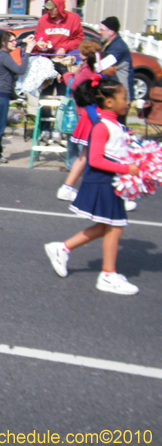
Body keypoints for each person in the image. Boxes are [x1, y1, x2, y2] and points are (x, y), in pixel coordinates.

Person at [43, 76, 141, 295]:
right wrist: (128, 169)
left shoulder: (115, 124)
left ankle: (62, 248)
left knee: (106, 226)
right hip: (102, 182)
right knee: (114, 226)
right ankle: (107, 275)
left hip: (111, 181)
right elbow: (95, 159)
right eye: (124, 98)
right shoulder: (101, 127)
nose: (128, 101)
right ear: (108, 102)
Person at [55, 46, 137, 210]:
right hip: (95, 124)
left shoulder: (102, 82)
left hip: (95, 123)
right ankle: (117, 194)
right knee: (104, 158)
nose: (116, 68)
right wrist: (98, 122)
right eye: (113, 65)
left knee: (85, 157)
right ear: (103, 67)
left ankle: (67, 188)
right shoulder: (100, 84)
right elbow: (91, 106)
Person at [0, 32, 35, 164]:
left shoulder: (0, 53)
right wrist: (28, 52)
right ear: (4, 43)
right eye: (12, 41)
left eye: (15, 41)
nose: (15, 43)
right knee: (0, 127)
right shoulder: (3, 56)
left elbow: (11, 44)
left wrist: (22, 41)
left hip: (0, 94)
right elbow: (20, 70)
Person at [34, 0, 83, 100]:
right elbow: (38, 37)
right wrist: (41, 43)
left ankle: (61, 116)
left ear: (59, 7)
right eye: (47, 9)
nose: (49, 11)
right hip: (48, 61)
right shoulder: (43, 20)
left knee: (63, 93)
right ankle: (44, 115)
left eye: (51, 9)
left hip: (65, 61)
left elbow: (79, 38)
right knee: (46, 93)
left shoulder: (73, 18)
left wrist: (65, 47)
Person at [100, 16, 135, 117]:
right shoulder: (107, 44)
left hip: (122, 95)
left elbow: (103, 64)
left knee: (119, 125)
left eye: (102, 30)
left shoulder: (119, 47)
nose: (99, 32)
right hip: (114, 93)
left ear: (111, 32)